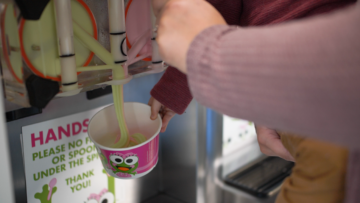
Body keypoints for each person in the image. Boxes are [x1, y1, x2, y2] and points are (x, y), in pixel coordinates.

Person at [147, 0, 360, 202]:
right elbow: (213, 18)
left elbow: (203, 33)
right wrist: (173, 90)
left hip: (320, 95)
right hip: (297, 100)